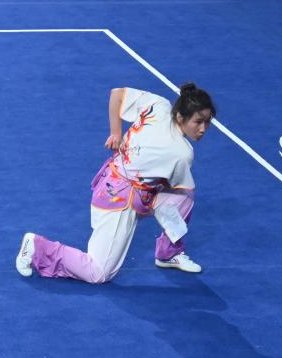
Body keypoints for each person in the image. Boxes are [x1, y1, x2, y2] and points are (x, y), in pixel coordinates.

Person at [16, 83, 216, 284]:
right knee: (99, 273)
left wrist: (116, 133)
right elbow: (172, 182)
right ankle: (37, 249)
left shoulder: (159, 104)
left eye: (207, 122)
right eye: (198, 122)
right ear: (180, 117)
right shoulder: (183, 153)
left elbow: (117, 94)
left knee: (184, 197)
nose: (203, 129)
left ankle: (168, 253)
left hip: (114, 179)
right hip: (118, 199)